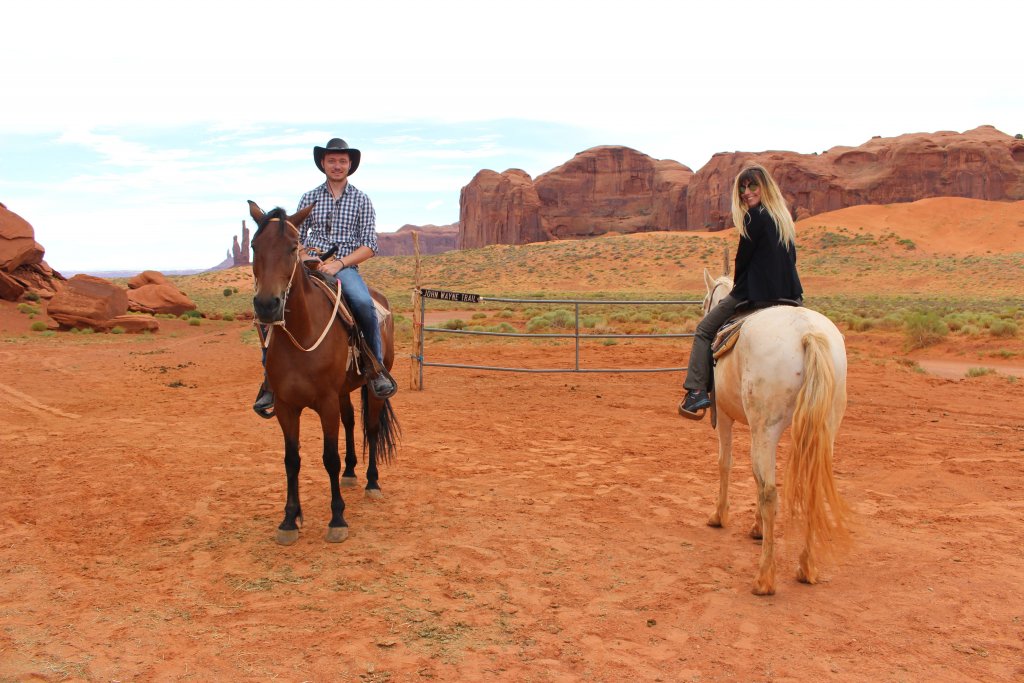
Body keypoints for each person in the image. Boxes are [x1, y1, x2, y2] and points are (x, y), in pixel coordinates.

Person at [254, 137, 397, 417]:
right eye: (332, 160)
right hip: (310, 264)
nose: (337, 165)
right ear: (323, 164)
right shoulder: (309, 197)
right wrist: (306, 255)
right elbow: (295, 236)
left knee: (364, 304)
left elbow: (369, 245)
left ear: (350, 165)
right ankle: (270, 381)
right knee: (269, 307)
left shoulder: (361, 200)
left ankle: (375, 368)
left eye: (342, 161)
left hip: (345, 266)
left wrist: (339, 263)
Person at [678, 163, 803, 419]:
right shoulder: (784, 219)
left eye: (752, 185)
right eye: (743, 188)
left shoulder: (753, 217)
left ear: (764, 187)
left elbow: (742, 261)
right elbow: (792, 259)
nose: (746, 192)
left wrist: (739, 288)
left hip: (756, 293)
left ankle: (696, 392)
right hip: (791, 296)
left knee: (703, 331)